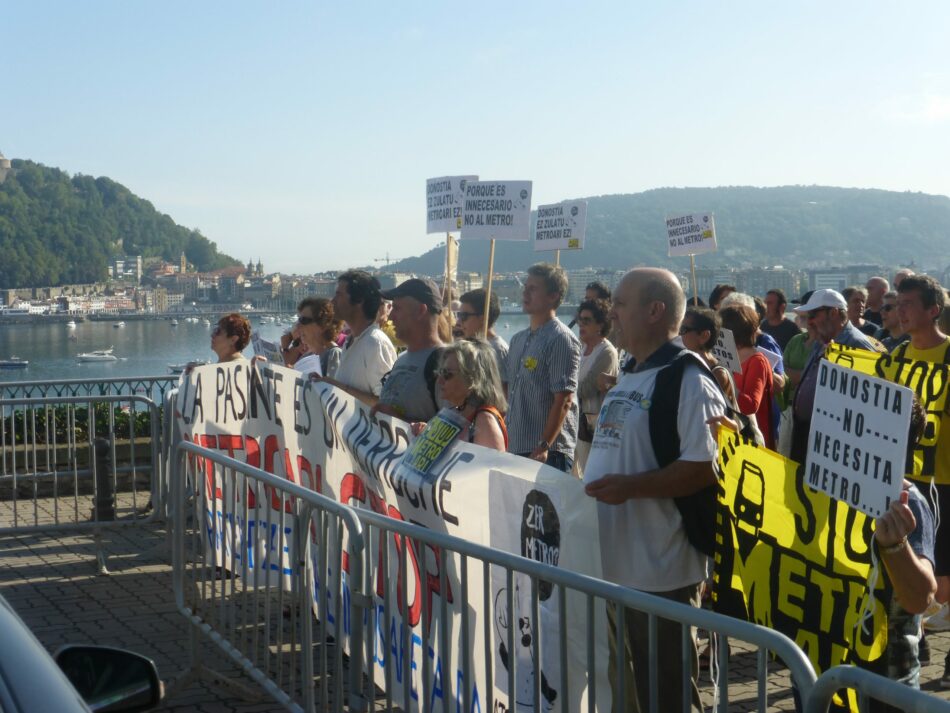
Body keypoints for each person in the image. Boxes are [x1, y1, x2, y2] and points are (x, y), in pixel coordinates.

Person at [584, 267, 726, 713]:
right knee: (625, 692)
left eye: (621, 304)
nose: (612, 313)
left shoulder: (689, 380)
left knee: (666, 696)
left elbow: (705, 467)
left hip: (661, 571)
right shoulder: (631, 372)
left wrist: (631, 487)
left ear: (654, 310)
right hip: (616, 567)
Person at [890, 274, 950, 686]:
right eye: (898, 303)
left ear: (933, 310)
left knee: (944, 583)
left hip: (945, 482)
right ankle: (919, 637)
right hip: (906, 480)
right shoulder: (893, 358)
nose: (901, 310)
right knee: (912, 573)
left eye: (909, 303)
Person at [505, 263, 581, 473]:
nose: (524, 292)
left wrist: (544, 445)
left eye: (533, 288)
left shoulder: (561, 339)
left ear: (553, 296)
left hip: (546, 453)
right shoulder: (517, 340)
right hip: (515, 446)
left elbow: (564, 398)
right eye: (525, 287)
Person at [790, 289, 879, 463]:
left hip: (833, 444)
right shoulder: (822, 340)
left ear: (833, 312)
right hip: (808, 434)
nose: (810, 321)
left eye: (814, 314)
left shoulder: (856, 345)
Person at [373, 277, 446, 422]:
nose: (391, 317)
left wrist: (397, 419)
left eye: (397, 308)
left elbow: (456, 429)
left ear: (421, 311)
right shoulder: (401, 359)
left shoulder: (446, 362)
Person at [320, 269, 397, 404]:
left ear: (359, 300)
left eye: (339, 295)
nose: (333, 301)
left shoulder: (375, 343)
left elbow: (386, 403)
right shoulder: (350, 342)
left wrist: (336, 387)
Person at [432, 339, 508, 451]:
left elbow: (492, 467)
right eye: (440, 372)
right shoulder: (455, 412)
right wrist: (424, 435)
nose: (439, 380)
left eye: (446, 374)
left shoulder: (485, 422)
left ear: (472, 379)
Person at [572, 298, 619, 477]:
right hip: (573, 423)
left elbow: (585, 389)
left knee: (589, 476)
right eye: (579, 320)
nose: (581, 324)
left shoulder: (607, 352)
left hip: (592, 428)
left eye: (587, 320)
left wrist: (561, 392)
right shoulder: (578, 347)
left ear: (600, 324)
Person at [720, 304, 775, 449]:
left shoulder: (757, 361)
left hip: (753, 443)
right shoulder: (726, 359)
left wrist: (726, 382)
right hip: (733, 438)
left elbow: (750, 405)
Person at [679, 306, 736, 405]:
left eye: (683, 329)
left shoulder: (717, 374)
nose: (678, 334)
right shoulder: (686, 362)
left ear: (704, 336)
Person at [457, 288, 508, 372]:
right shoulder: (470, 346)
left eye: (464, 316)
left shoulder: (498, 351)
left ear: (482, 319)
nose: (458, 321)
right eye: (458, 315)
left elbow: (503, 385)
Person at [293, 296, 343, 378]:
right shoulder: (306, 357)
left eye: (304, 320)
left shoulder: (334, 355)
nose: (298, 325)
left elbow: (334, 389)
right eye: (299, 320)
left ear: (323, 325)